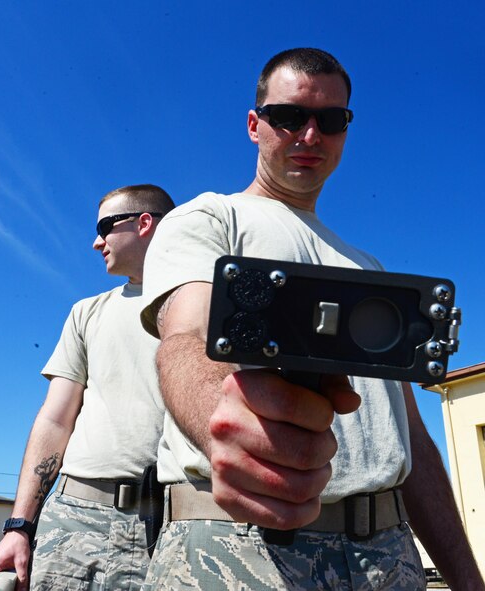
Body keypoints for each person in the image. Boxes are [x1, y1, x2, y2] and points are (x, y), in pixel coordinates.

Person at [139, 49, 484, 590]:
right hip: (243, 549)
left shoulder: (368, 268)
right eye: (289, 116)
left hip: (388, 557)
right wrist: (217, 421)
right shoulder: (209, 218)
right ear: (255, 125)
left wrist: (466, 577)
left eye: (330, 120)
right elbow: (185, 336)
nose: (309, 135)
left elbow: (411, 438)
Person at [0, 184, 175, 591]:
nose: (95, 242)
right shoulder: (86, 313)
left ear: (145, 223)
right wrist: (19, 526)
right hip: (75, 519)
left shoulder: (212, 302)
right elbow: (55, 419)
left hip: (174, 526)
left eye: (105, 227)